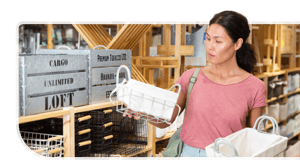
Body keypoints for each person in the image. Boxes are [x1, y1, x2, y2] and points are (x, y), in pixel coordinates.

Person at [124, 10, 267, 158]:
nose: (210, 46)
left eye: (218, 41)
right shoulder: (191, 78)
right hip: (189, 156)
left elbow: (254, 140)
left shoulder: (255, 87)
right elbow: (166, 120)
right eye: (208, 38)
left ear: (237, 43)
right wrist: (142, 112)